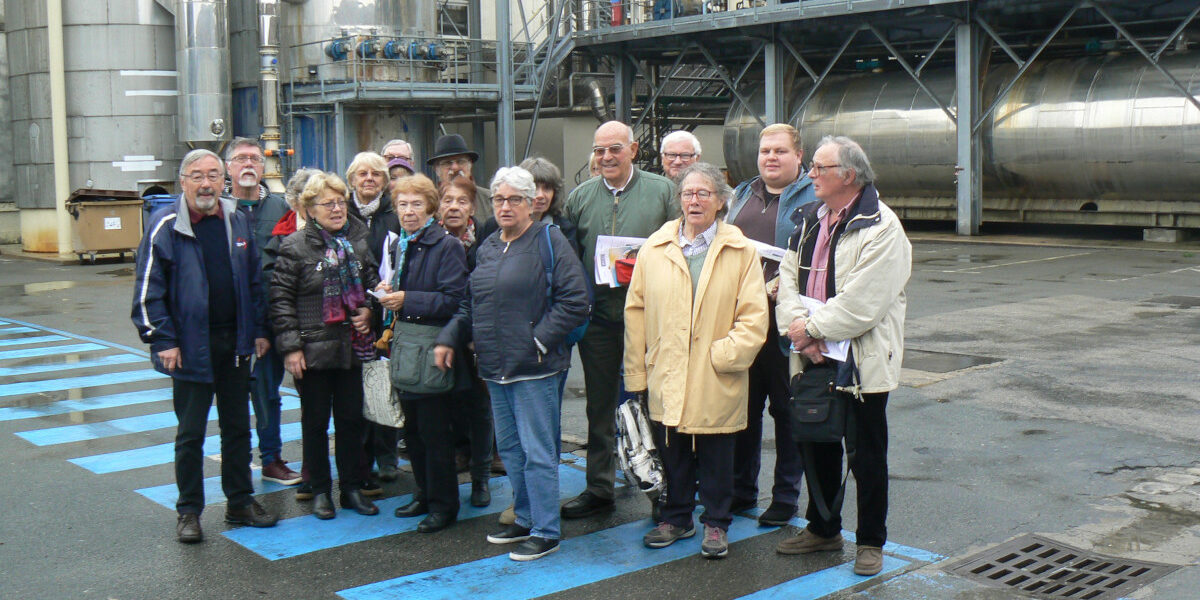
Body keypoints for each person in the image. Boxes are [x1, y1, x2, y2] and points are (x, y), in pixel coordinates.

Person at [435, 166, 589, 561]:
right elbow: (471, 303)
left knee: (539, 452)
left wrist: (538, 339)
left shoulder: (548, 240)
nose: (505, 206)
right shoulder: (488, 246)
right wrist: (450, 337)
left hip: (535, 366)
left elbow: (576, 301)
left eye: (514, 199)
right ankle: (524, 517)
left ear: (531, 204)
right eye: (499, 199)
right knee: (512, 449)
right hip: (495, 367)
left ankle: (545, 530)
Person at [774, 136, 911, 577]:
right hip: (813, 353)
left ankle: (870, 542)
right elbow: (787, 280)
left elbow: (863, 302)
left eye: (819, 167)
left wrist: (809, 330)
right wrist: (800, 333)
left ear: (847, 176)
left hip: (860, 360)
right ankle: (823, 528)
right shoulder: (811, 219)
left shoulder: (882, 228)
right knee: (815, 442)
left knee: (867, 455)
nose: (810, 174)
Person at [132, 149, 279, 543]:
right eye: (197, 175)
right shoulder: (165, 225)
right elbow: (148, 291)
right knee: (191, 434)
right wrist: (162, 339)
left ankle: (239, 503)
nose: (206, 183)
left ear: (222, 180)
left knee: (236, 428)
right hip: (189, 347)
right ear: (183, 182)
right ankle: (189, 512)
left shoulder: (237, 219)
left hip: (235, 343)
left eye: (213, 175)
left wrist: (260, 330)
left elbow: (253, 285)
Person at [624, 162, 768, 559]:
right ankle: (676, 516)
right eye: (688, 193)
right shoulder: (655, 246)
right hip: (667, 368)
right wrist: (638, 369)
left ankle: (717, 523)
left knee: (717, 453)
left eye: (704, 193)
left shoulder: (740, 250)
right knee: (672, 449)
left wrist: (724, 356)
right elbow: (636, 310)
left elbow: (754, 317)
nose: (694, 200)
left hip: (714, 371)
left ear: (721, 201)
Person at [562, 121, 678, 519]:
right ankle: (599, 487)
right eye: (599, 151)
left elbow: (681, 246)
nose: (606, 157)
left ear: (633, 149)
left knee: (655, 404)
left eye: (614, 149)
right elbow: (569, 259)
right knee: (599, 405)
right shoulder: (579, 197)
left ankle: (665, 490)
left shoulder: (663, 192)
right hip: (599, 320)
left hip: (650, 318)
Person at [271, 172, 382, 520]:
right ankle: (320, 489)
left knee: (351, 421)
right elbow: (281, 300)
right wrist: (290, 348)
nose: (336, 209)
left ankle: (350, 488)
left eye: (340, 202)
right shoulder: (294, 246)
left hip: (351, 348)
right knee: (315, 423)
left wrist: (369, 309)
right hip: (312, 350)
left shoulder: (359, 241)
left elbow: (373, 285)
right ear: (310, 209)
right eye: (328, 204)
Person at [726, 123, 818, 526]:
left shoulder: (814, 197)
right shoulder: (743, 194)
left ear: (800, 156)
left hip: (786, 326)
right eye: (765, 151)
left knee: (787, 412)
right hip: (744, 322)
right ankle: (742, 490)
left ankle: (784, 496)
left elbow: (820, 257)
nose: (771, 158)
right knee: (742, 412)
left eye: (780, 151)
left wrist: (788, 280)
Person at [380, 174, 470, 534]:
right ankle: (423, 492)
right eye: (402, 204)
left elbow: (455, 299)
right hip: (406, 344)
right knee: (412, 431)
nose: (408, 211)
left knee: (435, 433)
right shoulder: (401, 244)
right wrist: (389, 292)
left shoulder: (446, 245)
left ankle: (444, 504)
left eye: (416, 204)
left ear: (431, 207)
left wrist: (406, 299)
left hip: (432, 347)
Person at [224, 137, 302, 487]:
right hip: (230, 323)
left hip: (271, 321)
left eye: (254, 158)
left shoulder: (279, 210)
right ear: (228, 167)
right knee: (230, 396)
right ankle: (237, 463)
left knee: (268, 393)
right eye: (240, 159)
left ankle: (271, 458)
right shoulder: (219, 211)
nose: (248, 165)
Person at [343, 151, 402, 492]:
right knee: (357, 387)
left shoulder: (392, 216)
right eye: (362, 174)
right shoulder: (341, 213)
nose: (369, 179)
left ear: (385, 181)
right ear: (352, 179)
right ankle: (360, 455)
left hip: (387, 311)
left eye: (376, 174)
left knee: (386, 382)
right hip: (352, 314)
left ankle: (388, 454)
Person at [436, 176, 496, 507]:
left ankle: (481, 478)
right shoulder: (429, 240)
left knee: (480, 409)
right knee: (446, 409)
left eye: (461, 201)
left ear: (472, 207)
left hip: (478, 339)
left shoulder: (486, 239)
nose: (454, 207)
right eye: (448, 200)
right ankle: (452, 469)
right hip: (441, 337)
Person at [480, 157, 580, 258]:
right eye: (535, 188)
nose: (540, 195)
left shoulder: (564, 229)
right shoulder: (493, 226)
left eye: (547, 188)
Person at [428, 133, 493, 218]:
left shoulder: (489, 199)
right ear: (436, 169)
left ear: (470, 165)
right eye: (447, 163)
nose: (455, 167)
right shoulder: (429, 203)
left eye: (460, 161)